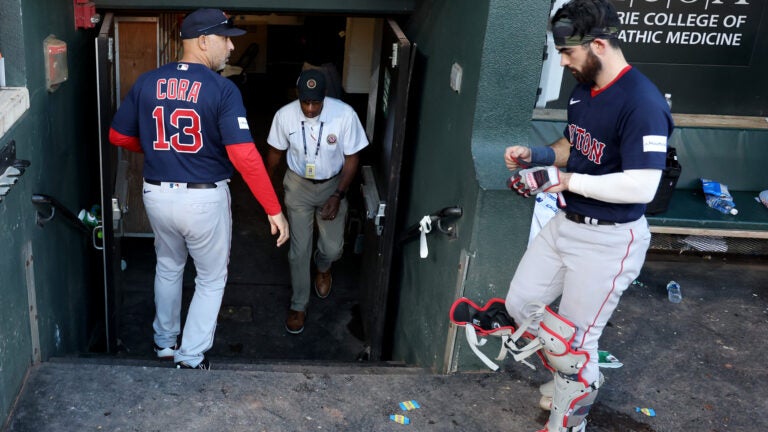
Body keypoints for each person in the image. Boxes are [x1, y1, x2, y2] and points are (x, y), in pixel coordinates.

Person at [502, 0, 673, 430]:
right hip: (567, 223)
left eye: (568, 53)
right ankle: (567, 376)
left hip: (610, 240)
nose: (562, 61)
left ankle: (571, 415)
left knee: (577, 342)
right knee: (522, 304)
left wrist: (564, 181)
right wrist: (537, 157)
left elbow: (642, 186)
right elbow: (574, 145)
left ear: (598, 44)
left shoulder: (643, 102)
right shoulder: (585, 87)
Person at [109, 8, 289, 370]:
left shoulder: (147, 81)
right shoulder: (222, 89)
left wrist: (162, 149)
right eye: (225, 39)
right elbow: (245, 157)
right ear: (204, 41)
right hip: (203, 198)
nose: (230, 48)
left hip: (157, 195)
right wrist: (273, 208)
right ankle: (190, 358)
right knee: (210, 278)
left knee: (168, 266)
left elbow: (118, 135)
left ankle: (164, 344)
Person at [266, 69, 368, 335]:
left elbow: (352, 158)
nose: (310, 109)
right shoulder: (284, 116)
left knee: (333, 249)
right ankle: (299, 304)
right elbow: (275, 152)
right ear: (297, 96)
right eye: (305, 102)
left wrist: (338, 194)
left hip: (332, 185)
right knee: (298, 252)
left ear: (325, 96)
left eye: (316, 103)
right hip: (298, 185)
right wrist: (266, 188)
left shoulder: (344, 115)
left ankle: (323, 267)